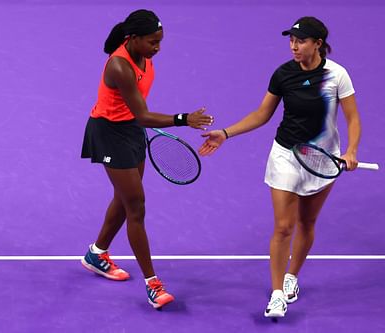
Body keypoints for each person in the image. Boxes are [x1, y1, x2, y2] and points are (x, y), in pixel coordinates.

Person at [199, 16, 361, 318]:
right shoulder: (283, 74)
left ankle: (292, 277)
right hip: (286, 154)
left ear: (318, 44)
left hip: (322, 157)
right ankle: (276, 294)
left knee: (307, 223)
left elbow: (352, 118)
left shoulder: (338, 76)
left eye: (300, 41)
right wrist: (225, 133)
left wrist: (351, 150)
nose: (294, 46)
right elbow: (262, 114)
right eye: (291, 40)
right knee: (284, 226)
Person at [80, 9, 213, 309]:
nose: (158, 48)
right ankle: (153, 284)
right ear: (134, 38)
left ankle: (96, 253)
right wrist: (183, 119)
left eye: (160, 41)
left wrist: (141, 123)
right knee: (136, 206)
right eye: (153, 42)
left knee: (125, 199)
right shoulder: (119, 66)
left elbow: (139, 111)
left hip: (131, 128)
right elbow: (142, 113)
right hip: (109, 133)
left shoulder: (145, 56)